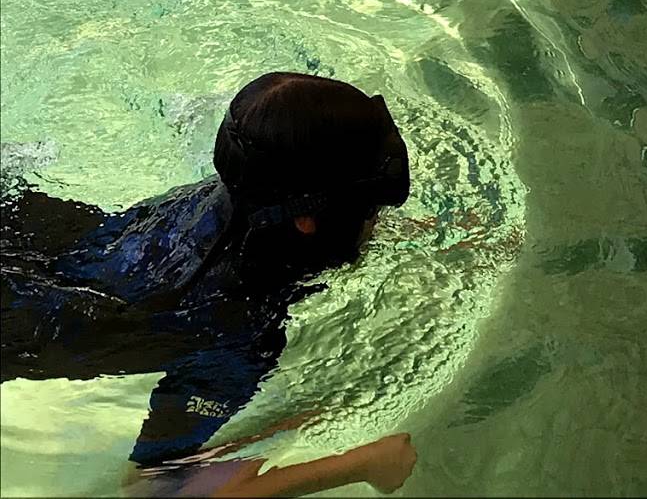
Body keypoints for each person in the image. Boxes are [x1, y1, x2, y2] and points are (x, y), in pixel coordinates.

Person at [2, 72, 419, 497]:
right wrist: (359, 463)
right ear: (307, 222)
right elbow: (152, 486)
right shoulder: (238, 326)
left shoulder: (227, 192)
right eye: (373, 208)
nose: (379, 221)